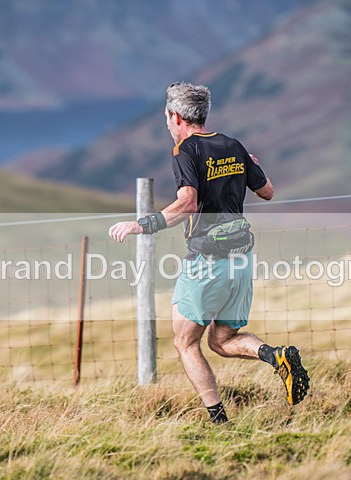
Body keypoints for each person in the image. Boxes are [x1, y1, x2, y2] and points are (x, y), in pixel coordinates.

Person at [108, 81, 309, 423]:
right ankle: (276, 356)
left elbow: (188, 203)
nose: (167, 125)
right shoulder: (234, 145)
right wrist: (245, 164)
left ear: (176, 117)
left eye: (166, 118)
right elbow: (268, 192)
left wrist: (142, 225)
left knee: (186, 343)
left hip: (208, 261)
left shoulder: (185, 150)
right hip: (242, 259)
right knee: (222, 339)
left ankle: (218, 420)